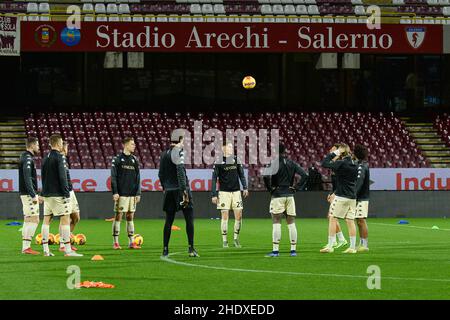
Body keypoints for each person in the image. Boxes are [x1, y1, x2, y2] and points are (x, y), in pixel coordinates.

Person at [263, 144, 308, 257]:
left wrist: (270, 190)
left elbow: (265, 176)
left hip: (278, 195)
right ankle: (293, 251)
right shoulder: (291, 163)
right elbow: (305, 175)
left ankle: (275, 251)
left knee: (276, 222)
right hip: (290, 195)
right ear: (285, 151)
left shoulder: (274, 163)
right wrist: (296, 188)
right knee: (291, 223)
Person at [41, 134, 82, 257]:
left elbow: (43, 176)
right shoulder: (60, 157)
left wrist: (43, 193)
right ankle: (67, 250)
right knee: (65, 219)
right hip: (59, 194)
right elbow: (62, 177)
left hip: (47, 194)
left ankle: (46, 250)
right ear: (59, 144)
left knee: (46, 220)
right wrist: (66, 193)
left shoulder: (45, 157)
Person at [159, 133, 198, 258]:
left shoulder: (164, 154)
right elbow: (180, 171)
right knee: (189, 219)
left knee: (169, 221)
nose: (184, 143)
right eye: (183, 141)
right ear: (179, 140)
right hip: (181, 190)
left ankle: (165, 249)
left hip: (169, 191)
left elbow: (160, 174)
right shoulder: (179, 152)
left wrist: (165, 187)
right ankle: (191, 248)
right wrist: (184, 191)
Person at [320, 144, 358, 254]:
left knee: (332, 218)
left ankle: (330, 246)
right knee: (350, 221)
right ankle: (352, 247)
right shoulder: (355, 163)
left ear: (341, 152)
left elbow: (324, 163)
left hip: (341, 196)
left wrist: (335, 153)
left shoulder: (341, 163)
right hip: (352, 196)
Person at [211, 142, 249, 248]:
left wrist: (245, 187)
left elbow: (241, 174)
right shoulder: (218, 161)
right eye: (229, 147)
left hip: (236, 192)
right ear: (223, 148)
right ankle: (224, 240)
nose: (232, 148)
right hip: (223, 193)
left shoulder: (236, 160)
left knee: (239, 215)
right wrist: (214, 194)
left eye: (232, 147)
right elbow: (214, 179)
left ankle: (236, 239)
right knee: (225, 216)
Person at [111, 137, 141, 250]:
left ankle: (131, 242)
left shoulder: (135, 160)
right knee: (118, 216)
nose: (134, 146)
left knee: (130, 216)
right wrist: (115, 192)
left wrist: (138, 193)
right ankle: (116, 242)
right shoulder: (117, 159)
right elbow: (113, 177)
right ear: (126, 145)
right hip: (121, 193)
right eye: (132, 144)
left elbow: (138, 177)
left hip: (132, 194)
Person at [322, 143, 348, 250]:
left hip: (341, 193)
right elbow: (336, 181)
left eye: (333, 149)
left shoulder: (339, 163)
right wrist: (332, 192)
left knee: (332, 216)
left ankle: (334, 242)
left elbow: (341, 181)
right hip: (337, 192)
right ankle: (341, 240)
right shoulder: (335, 162)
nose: (330, 150)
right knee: (332, 217)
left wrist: (335, 193)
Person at [19, 137, 42, 255]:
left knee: (28, 219)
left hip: (26, 194)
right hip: (28, 195)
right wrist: (33, 195)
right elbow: (27, 178)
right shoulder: (28, 158)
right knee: (34, 219)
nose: (38, 147)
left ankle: (25, 247)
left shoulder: (24, 157)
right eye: (37, 145)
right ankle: (26, 247)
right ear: (32, 145)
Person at [59, 141, 79, 252]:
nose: (67, 150)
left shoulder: (64, 160)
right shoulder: (58, 160)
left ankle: (67, 237)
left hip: (71, 191)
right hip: (64, 193)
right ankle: (63, 243)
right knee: (64, 218)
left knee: (76, 218)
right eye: (66, 147)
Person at [353, 144, 370, 252]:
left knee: (361, 220)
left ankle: (364, 245)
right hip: (360, 197)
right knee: (359, 221)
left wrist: (353, 194)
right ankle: (362, 243)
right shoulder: (360, 164)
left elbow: (359, 182)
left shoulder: (362, 166)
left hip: (361, 197)